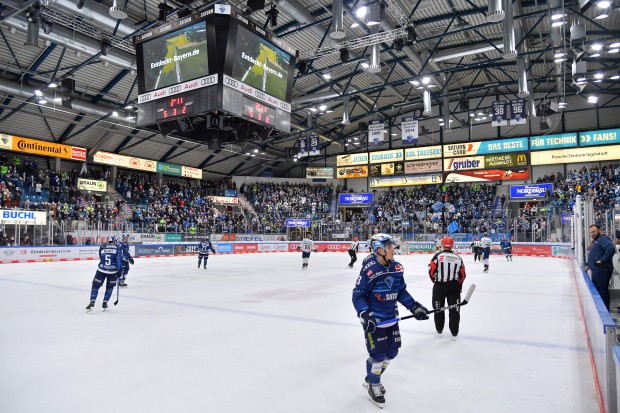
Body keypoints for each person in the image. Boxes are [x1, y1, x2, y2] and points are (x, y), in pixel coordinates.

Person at [352, 233, 429, 408]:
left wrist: (414, 307)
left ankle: (372, 377)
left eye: (392, 246)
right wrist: (364, 313)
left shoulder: (397, 267)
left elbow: (400, 291)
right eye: (388, 247)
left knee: (392, 352)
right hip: (374, 321)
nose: (392, 249)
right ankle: (374, 384)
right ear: (379, 249)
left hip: (391, 318)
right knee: (377, 355)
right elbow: (358, 295)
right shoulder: (369, 270)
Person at [428, 236, 466, 339]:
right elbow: (462, 275)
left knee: (438, 308)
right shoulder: (458, 258)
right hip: (454, 287)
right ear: (452, 245)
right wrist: (459, 286)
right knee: (454, 310)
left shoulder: (437, 257)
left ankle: (439, 329)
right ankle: (454, 332)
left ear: (442, 244)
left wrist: (434, 280)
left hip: (439, 286)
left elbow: (431, 270)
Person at [86, 235, 122, 312]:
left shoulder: (102, 246)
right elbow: (118, 259)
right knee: (110, 287)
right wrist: (119, 269)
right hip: (113, 272)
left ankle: (92, 301)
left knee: (95, 286)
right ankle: (105, 302)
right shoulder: (117, 247)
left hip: (101, 270)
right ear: (115, 240)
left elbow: (100, 256)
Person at [584, 225, 615, 310]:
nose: (592, 234)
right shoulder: (596, 241)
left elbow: (611, 248)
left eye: (594, 231)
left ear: (599, 230)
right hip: (597, 270)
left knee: (602, 290)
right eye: (591, 232)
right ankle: (601, 309)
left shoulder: (603, 239)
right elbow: (593, 254)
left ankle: (605, 311)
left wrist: (603, 260)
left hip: (602, 270)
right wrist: (588, 264)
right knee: (599, 290)